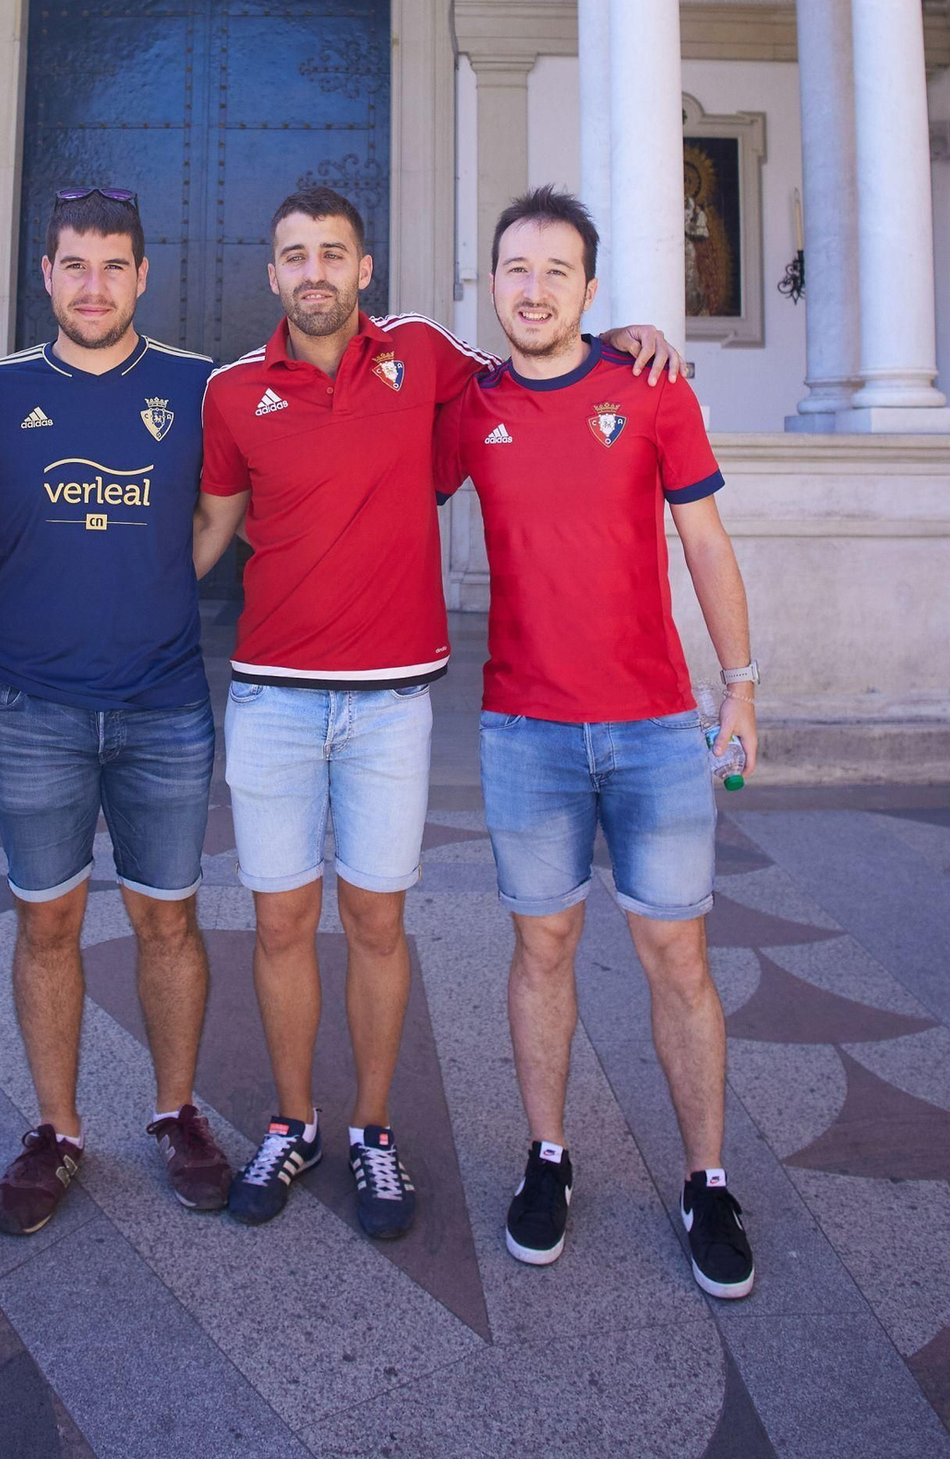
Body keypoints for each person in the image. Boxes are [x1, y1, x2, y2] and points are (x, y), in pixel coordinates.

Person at [194, 185, 680, 1242]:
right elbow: (206, 532)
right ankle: (292, 1122)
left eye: (333, 252)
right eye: (294, 255)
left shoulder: (420, 353)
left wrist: (618, 338)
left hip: (388, 704)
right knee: (278, 922)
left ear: (364, 269)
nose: (314, 271)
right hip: (272, 697)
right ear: (271, 274)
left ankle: (371, 1129)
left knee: (377, 923)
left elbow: (530, 360)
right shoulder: (230, 393)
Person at [435, 185, 757, 1301]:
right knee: (543, 952)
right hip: (525, 731)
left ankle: (707, 1181)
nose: (533, 290)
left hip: (656, 729)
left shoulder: (649, 386)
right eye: (515, 269)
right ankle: (548, 1158)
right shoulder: (468, 407)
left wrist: (741, 688)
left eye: (555, 272)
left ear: (590, 288)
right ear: (491, 283)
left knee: (679, 958)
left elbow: (705, 542)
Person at [0, 189, 231, 1232]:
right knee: (48, 920)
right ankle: (57, 1130)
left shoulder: (197, 385)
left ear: (143, 276)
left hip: (163, 705)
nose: (94, 286)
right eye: (75, 265)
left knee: (168, 920)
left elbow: (219, 510)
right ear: (46, 275)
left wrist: (159, 578)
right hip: (32, 707)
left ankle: (175, 1113)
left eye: (114, 266)